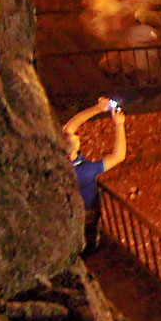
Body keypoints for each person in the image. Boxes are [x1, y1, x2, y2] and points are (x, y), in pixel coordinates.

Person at [63, 96, 127, 252]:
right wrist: (119, 125)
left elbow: (69, 128)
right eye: (77, 140)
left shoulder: (61, 157)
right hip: (87, 209)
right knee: (88, 232)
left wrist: (98, 109)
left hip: (69, 207)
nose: (77, 135)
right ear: (72, 154)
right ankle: (88, 249)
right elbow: (118, 156)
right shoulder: (84, 171)